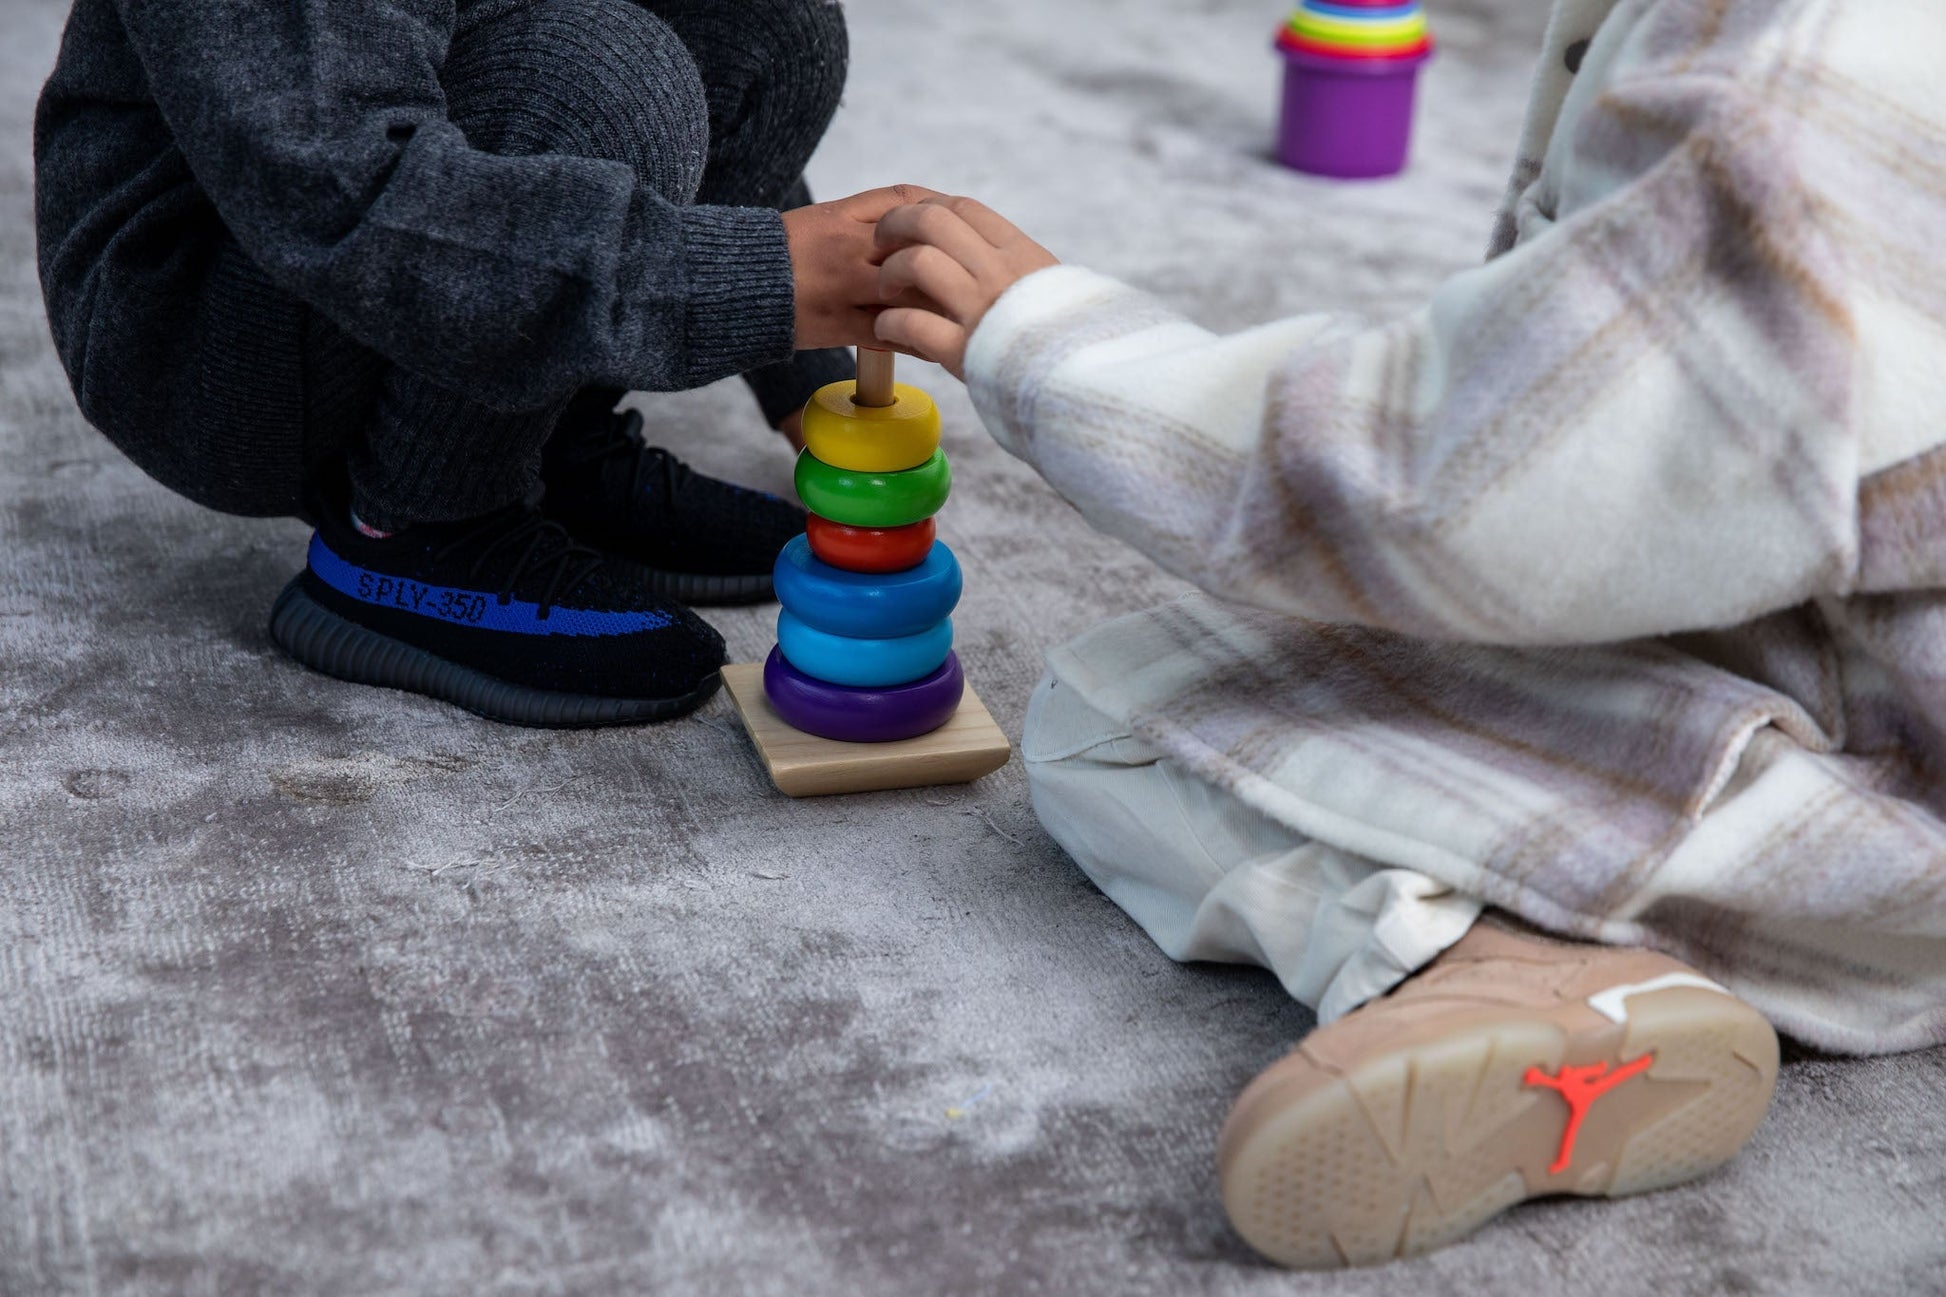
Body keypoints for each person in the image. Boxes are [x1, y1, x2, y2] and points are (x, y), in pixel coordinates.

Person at [872, 0, 1946, 1269]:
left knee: (1124, 707)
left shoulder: (1790, 86)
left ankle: (1474, 959)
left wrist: (1059, 352)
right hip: (1853, 659)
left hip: (1871, 830)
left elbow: (1451, 485)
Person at [36, 0, 929, 727]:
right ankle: (415, 526)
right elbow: (343, 196)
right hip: (209, 331)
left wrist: (811, 379)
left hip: (363, 234)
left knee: (764, 21)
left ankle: (545, 444)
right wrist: (755, 285)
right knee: (596, 68)